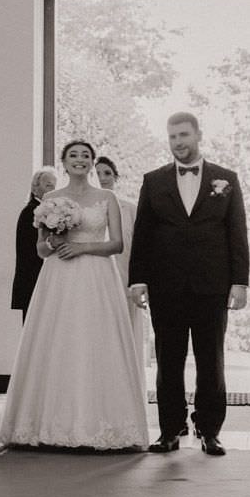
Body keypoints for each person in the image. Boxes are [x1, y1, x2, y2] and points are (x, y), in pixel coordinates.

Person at [0, 140, 148, 450]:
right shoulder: (50, 199)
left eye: (85, 156)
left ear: (91, 162)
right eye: (73, 155)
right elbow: (40, 250)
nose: (80, 160)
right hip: (59, 277)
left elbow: (116, 244)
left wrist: (82, 247)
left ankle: (101, 424)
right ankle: (49, 423)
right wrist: (52, 241)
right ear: (64, 163)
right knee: (57, 340)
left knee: (95, 341)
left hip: (96, 276)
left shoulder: (107, 198)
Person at [129, 112, 249, 457]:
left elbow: (237, 232)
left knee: (211, 362)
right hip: (165, 286)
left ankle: (210, 431)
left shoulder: (226, 179)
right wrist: (138, 279)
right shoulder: (153, 181)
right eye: (172, 137)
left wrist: (240, 282)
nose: (178, 142)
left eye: (183, 135)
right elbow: (142, 234)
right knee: (169, 362)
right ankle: (169, 431)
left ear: (198, 135)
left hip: (212, 285)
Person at [96, 155, 146, 389]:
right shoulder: (82, 208)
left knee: (125, 336)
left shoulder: (131, 209)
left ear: (116, 177)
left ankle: (125, 386)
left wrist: (139, 282)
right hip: (95, 282)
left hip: (124, 280)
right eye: (97, 173)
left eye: (107, 173)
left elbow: (140, 249)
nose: (102, 178)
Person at [11, 167, 57, 323]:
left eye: (54, 186)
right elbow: (33, 252)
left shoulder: (45, 212)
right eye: (48, 185)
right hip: (33, 282)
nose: (53, 190)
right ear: (35, 188)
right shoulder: (32, 212)